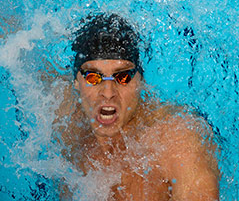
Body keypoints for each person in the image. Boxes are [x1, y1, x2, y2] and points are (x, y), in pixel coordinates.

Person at [54, 13, 220, 201]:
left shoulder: (174, 137)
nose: (108, 92)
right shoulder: (64, 122)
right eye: (94, 77)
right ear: (76, 82)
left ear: (140, 81)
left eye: (122, 77)